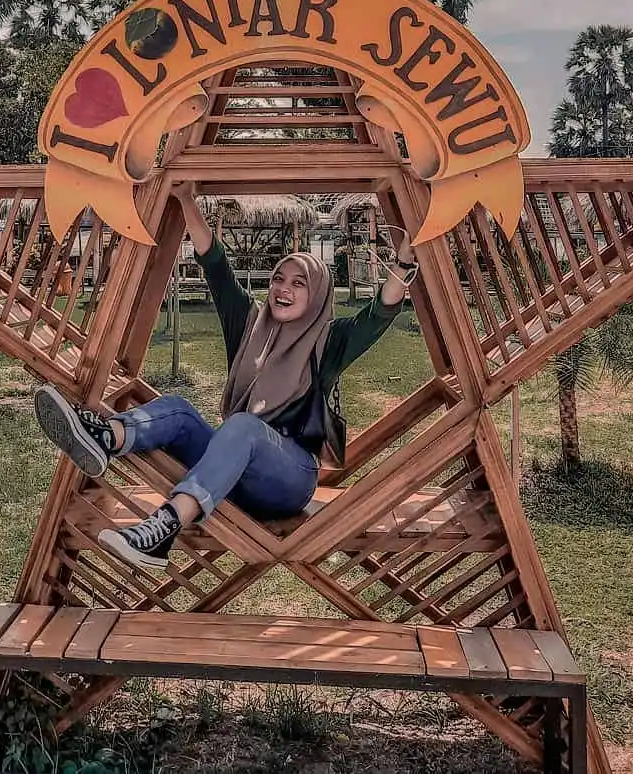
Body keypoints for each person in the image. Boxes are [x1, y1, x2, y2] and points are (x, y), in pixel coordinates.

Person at [33, 183, 417, 572]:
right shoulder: (249, 324)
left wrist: (402, 263)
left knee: (243, 427)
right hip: (234, 468)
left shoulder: (329, 341)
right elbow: (214, 263)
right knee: (179, 412)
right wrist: (185, 200)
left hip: (288, 480)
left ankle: (162, 531)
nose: (282, 289)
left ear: (316, 295)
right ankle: (104, 438)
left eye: (298, 283)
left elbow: (380, 312)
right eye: (279, 278)